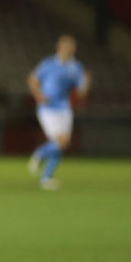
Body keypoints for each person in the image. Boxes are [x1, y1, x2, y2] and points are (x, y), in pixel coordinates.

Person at [27, 34, 90, 190]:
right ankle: (39, 153)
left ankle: (46, 178)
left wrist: (86, 83)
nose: (67, 49)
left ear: (73, 49)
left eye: (70, 46)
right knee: (60, 141)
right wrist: (39, 95)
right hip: (47, 108)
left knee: (63, 143)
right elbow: (33, 80)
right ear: (59, 47)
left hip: (63, 107)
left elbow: (81, 92)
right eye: (64, 46)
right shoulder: (48, 64)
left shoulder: (76, 67)